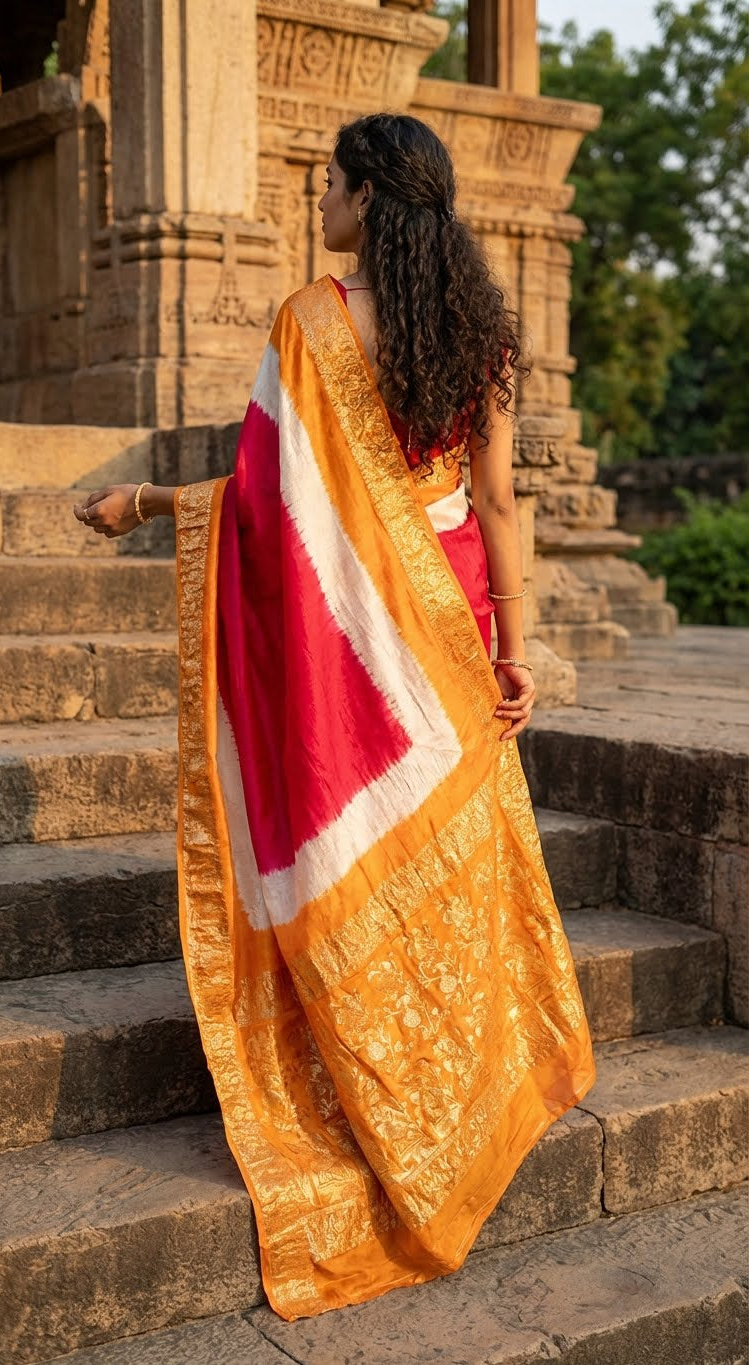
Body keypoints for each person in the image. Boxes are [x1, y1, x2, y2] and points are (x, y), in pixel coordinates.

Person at [73, 113, 595, 1323]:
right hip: (453, 630)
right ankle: (464, 1103)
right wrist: (517, 649)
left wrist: (147, 502)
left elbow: (268, 509)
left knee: (351, 872)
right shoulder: (482, 334)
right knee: (448, 874)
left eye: (330, 185)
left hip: (361, 656)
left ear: (370, 197)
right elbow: (501, 502)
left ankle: (378, 1115)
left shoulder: (312, 323)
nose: (319, 204)